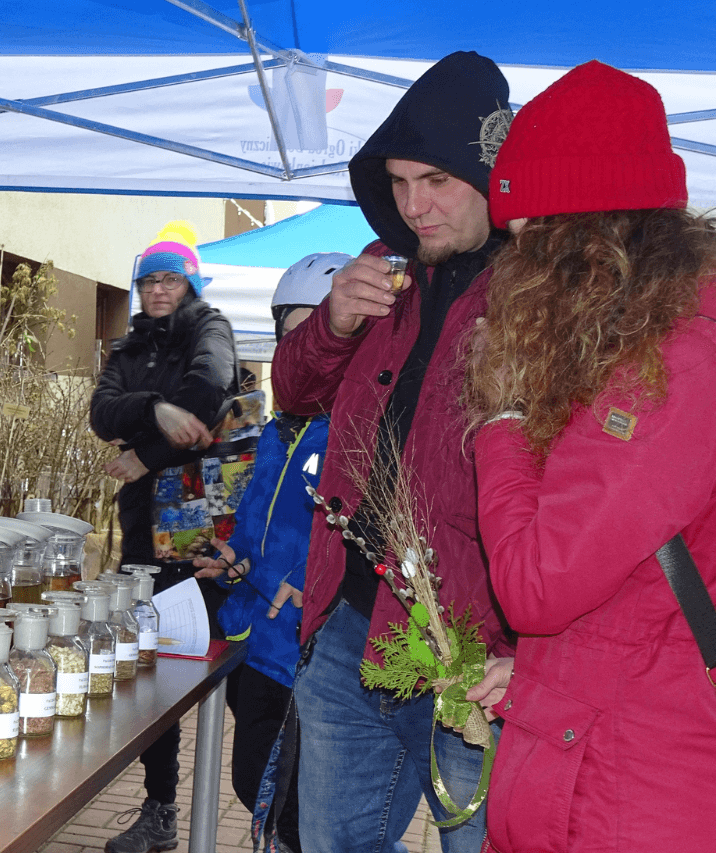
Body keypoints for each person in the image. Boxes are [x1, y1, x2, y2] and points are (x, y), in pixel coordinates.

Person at [462, 61, 716, 853]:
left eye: (531, 237)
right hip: (604, 761)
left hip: (636, 794)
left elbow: (538, 582)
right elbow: (627, 580)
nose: (516, 267)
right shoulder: (638, 344)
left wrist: (501, 416)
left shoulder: (675, 360)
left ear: (589, 239)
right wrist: (542, 681)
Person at [271, 51, 516, 853]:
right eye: (401, 182)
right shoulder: (384, 276)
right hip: (348, 627)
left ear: (491, 175)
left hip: (473, 649)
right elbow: (295, 394)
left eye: (437, 181)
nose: (415, 205)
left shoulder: (540, 294)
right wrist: (332, 320)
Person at [91, 221, 238, 853]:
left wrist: (146, 453)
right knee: (152, 672)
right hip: (139, 535)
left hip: (198, 535)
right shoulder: (125, 350)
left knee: (216, 670)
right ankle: (161, 809)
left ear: (190, 283)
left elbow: (207, 399)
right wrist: (157, 408)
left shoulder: (210, 329)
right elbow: (102, 414)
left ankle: (266, 811)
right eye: (148, 279)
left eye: (169, 278)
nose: (157, 289)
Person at [193, 252, 347, 852]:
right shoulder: (282, 428)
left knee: (303, 814)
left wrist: (316, 583)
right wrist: (236, 560)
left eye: (321, 333)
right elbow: (263, 526)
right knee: (254, 783)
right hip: (255, 640)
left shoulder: (362, 427)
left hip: (312, 656)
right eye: (292, 337)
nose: (308, 351)